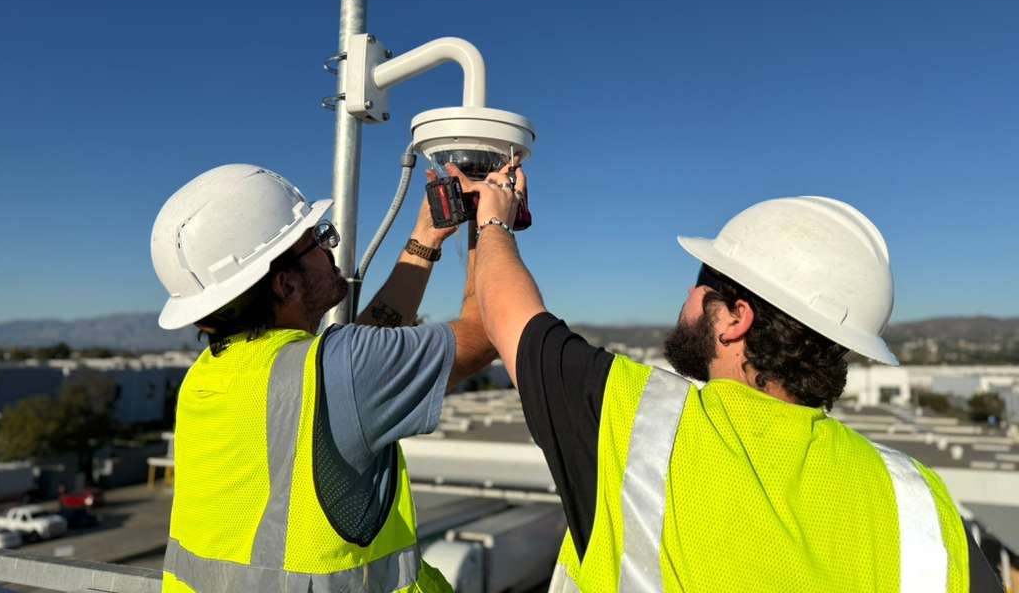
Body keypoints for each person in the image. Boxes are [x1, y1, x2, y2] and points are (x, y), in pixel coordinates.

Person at [454, 167, 1000, 593]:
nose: (687, 297)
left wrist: (494, 220)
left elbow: (510, 318)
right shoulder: (920, 500)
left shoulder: (636, 421)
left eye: (701, 282)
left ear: (737, 317)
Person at [150, 163, 497, 592]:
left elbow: (359, 358)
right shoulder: (333, 370)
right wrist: (491, 223)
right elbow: (487, 332)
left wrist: (425, 239)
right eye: (316, 240)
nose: (329, 249)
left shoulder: (206, 378)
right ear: (285, 286)